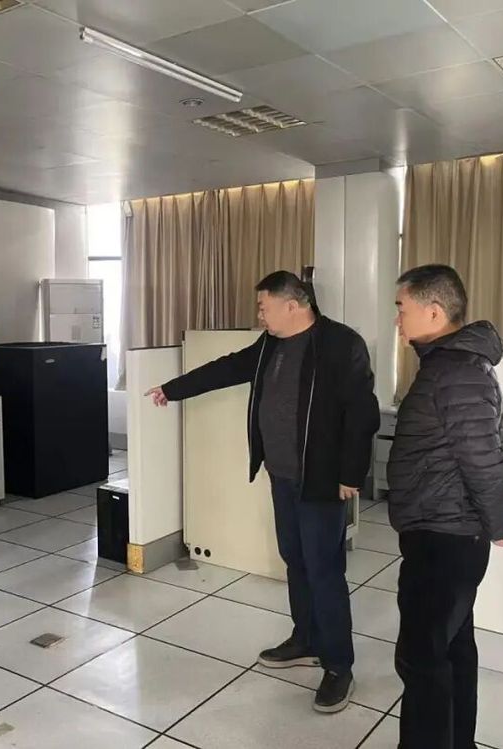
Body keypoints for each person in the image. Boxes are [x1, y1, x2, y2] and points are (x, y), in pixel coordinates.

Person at [146, 270, 380, 713]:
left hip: (321, 480)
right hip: (282, 475)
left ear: (292, 305)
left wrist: (352, 474)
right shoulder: (270, 344)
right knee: (295, 559)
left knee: (324, 570)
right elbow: (228, 367)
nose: (260, 315)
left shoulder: (340, 344)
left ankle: (338, 666)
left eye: (263, 307)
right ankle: (305, 639)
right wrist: (172, 390)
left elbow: (362, 414)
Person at [388, 264, 503, 749]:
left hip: (443, 539)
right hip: (446, 530)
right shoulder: (452, 366)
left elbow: (484, 458)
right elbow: (468, 453)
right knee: (451, 649)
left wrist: (497, 522)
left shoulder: (454, 371)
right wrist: (490, 511)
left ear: (434, 312)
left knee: (422, 660)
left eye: (402, 308)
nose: (397, 319)